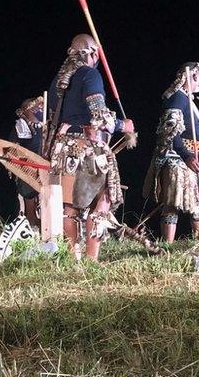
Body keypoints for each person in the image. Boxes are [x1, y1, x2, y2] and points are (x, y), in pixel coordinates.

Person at [46, 34, 135, 260]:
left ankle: (72, 258)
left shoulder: (59, 80)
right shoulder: (90, 74)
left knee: (70, 207)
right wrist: (121, 125)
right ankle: (91, 260)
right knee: (102, 200)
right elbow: (99, 117)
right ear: (93, 52)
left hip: (62, 149)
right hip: (86, 148)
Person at [144, 63, 199, 242]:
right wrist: (186, 155)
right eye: (198, 76)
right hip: (178, 160)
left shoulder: (185, 99)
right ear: (190, 76)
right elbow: (170, 131)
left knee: (195, 202)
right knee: (174, 202)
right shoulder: (178, 98)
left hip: (189, 158)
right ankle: (169, 244)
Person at [8, 96, 44, 229]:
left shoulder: (46, 125)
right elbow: (12, 151)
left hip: (46, 170)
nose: (39, 109)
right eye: (36, 107)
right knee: (30, 202)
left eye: (40, 107)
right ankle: (32, 228)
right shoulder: (21, 126)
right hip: (28, 171)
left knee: (47, 202)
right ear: (27, 110)